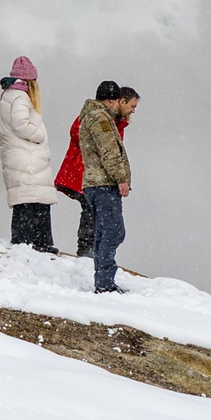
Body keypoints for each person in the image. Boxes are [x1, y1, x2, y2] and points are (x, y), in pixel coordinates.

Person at [77, 81, 137, 294]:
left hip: (96, 184)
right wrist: (121, 178)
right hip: (103, 184)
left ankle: (103, 280)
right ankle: (104, 282)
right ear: (112, 100)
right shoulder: (100, 119)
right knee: (113, 231)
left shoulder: (92, 116)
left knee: (104, 232)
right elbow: (109, 151)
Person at [0, 57, 57, 251]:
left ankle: (28, 241)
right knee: (34, 198)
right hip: (26, 155)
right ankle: (37, 242)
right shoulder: (21, 97)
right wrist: (39, 135)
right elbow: (20, 124)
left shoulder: (10, 95)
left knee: (28, 197)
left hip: (20, 154)